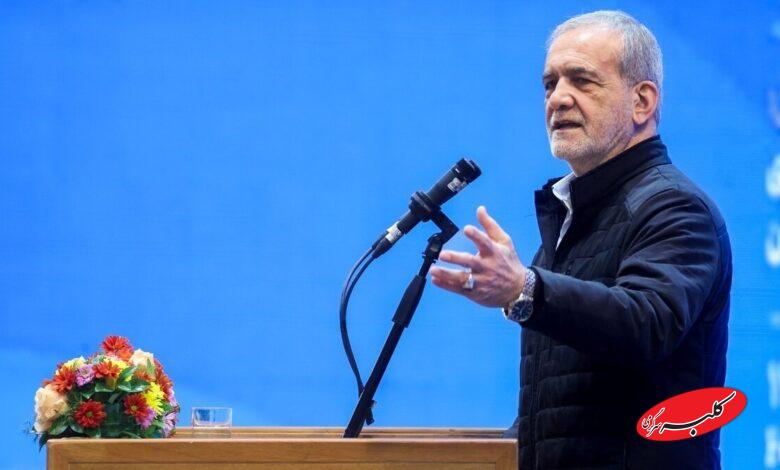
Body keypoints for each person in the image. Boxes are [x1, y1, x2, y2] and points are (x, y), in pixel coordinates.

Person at [429, 10, 731, 469]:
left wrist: (525, 289)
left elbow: (645, 324)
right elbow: (569, 405)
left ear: (642, 102)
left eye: (582, 81)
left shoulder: (675, 207)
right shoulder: (573, 217)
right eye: (550, 84)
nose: (558, 99)